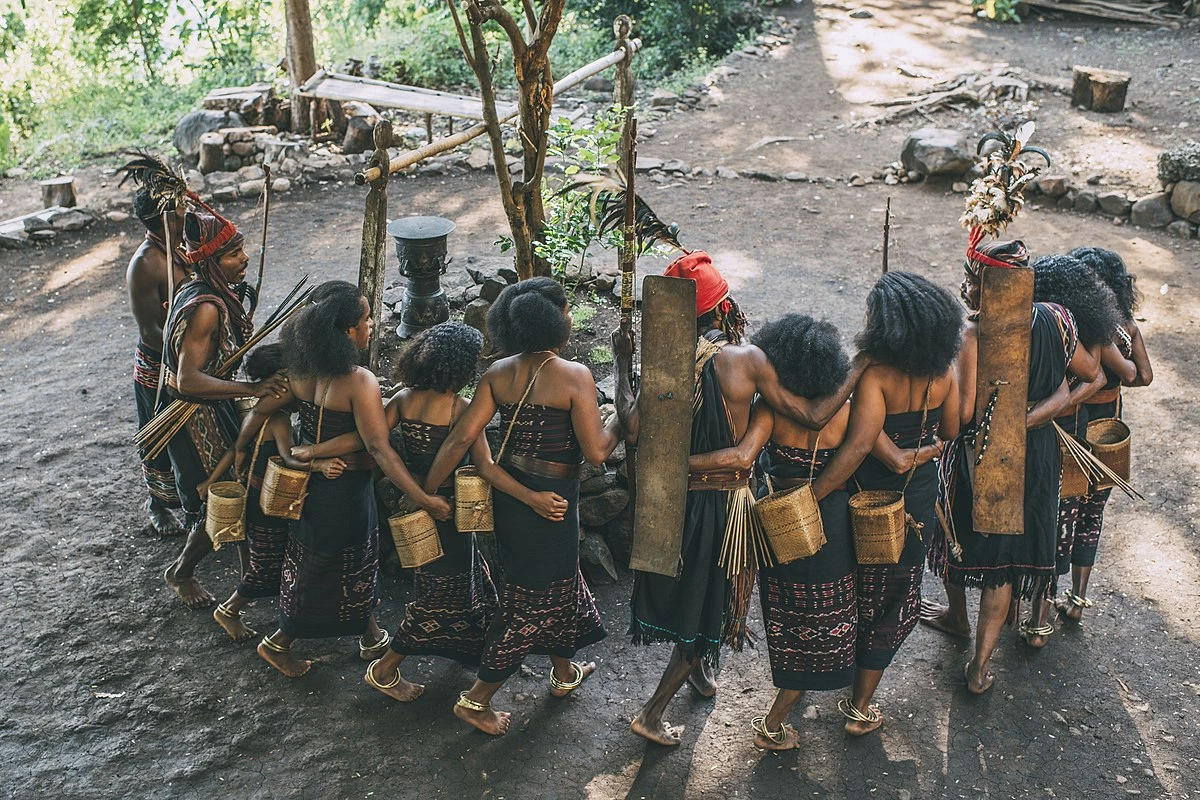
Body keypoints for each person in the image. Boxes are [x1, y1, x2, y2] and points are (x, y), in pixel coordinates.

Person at [613, 252, 864, 747]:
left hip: (673, 506)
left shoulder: (665, 358)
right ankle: (652, 713)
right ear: (724, 309)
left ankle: (702, 674)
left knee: (695, 594)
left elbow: (632, 427)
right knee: (709, 607)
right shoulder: (745, 360)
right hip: (723, 507)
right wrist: (859, 370)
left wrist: (623, 361)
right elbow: (808, 418)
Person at [297, 322, 567, 702]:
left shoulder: (404, 400)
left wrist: (315, 451)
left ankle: (476, 651)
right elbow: (487, 467)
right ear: (461, 368)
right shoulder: (463, 409)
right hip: (447, 512)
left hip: (416, 510)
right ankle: (386, 669)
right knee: (438, 595)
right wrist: (531, 497)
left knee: (443, 582)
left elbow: (370, 439)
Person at [421, 278, 617, 736]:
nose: (570, 317)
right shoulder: (574, 376)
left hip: (512, 498)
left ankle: (564, 671)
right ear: (554, 320)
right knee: (531, 601)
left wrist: (427, 492)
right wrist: (622, 423)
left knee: (548, 585)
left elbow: (464, 439)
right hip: (550, 504)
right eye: (566, 310)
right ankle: (476, 699)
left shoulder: (497, 373)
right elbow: (597, 454)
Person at [248, 280, 452, 678]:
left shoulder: (302, 371)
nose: (372, 324)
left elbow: (267, 412)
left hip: (314, 487)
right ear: (345, 332)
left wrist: (308, 453)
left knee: (341, 563)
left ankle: (372, 636)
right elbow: (379, 448)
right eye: (366, 318)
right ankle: (278, 643)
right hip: (345, 491)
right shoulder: (359, 381)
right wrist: (424, 498)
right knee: (328, 567)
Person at [684, 314, 857, 750]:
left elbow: (743, 456)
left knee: (788, 613)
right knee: (826, 613)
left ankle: (787, 694)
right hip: (831, 521)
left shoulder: (770, 409)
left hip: (778, 522)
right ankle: (773, 723)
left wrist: (677, 464)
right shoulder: (847, 411)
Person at [805, 272, 962, 734]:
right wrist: (923, 450)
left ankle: (829, 672)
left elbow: (857, 444)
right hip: (916, 497)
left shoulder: (874, 375)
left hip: (865, 498)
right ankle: (860, 705)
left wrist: (812, 496)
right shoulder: (944, 373)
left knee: (855, 582)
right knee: (896, 593)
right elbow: (951, 431)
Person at [921, 240, 1078, 693]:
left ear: (989, 285)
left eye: (971, 280)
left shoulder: (971, 336)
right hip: (1040, 452)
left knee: (955, 535)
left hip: (983, 455)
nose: (966, 288)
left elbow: (965, 414)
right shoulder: (1057, 318)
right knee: (1009, 561)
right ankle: (979, 667)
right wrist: (1028, 420)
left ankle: (958, 619)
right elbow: (1072, 386)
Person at [161, 207, 288, 609]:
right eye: (234, 254)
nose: (245, 259)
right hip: (193, 416)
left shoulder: (206, 291)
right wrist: (250, 387)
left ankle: (252, 575)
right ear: (212, 262)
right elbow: (188, 380)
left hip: (209, 409)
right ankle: (181, 572)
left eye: (243, 249)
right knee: (216, 499)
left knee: (237, 485)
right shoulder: (206, 307)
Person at [199, 343, 347, 643]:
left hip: (256, 501)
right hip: (269, 505)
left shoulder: (254, 415)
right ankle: (228, 610)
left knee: (267, 561)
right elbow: (291, 458)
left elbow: (234, 450)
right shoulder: (278, 420)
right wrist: (320, 465)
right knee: (267, 567)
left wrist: (211, 480)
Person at [1020, 253, 1128, 645]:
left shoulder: (1070, 331)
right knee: (1070, 521)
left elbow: (1098, 380)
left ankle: (1037, 621)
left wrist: (1048, 409)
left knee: (1054, 525)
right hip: (1074, 437)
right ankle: (1048, 611)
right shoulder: (1083, 328)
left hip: (1065, 440)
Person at [1055, 247, 1151, 622]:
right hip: (1112, 422)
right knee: (1093, 513)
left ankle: (1039, 616)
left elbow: (1129, 373)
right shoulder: (1127, 325)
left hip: (1079, 425)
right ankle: (1077, 600)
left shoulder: (1088, 326)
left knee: (1067, 510)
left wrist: (1110, 366)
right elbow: (1143, 376)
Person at [126, 186, 190, 537]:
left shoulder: (178, 248)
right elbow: (152, 331)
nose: (186, 211)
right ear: (164, 216)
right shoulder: (145, 264)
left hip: (187, 357)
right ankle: (158, 503)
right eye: (179, 207)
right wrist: (190, 351)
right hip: (160, 365)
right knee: (159, 436)